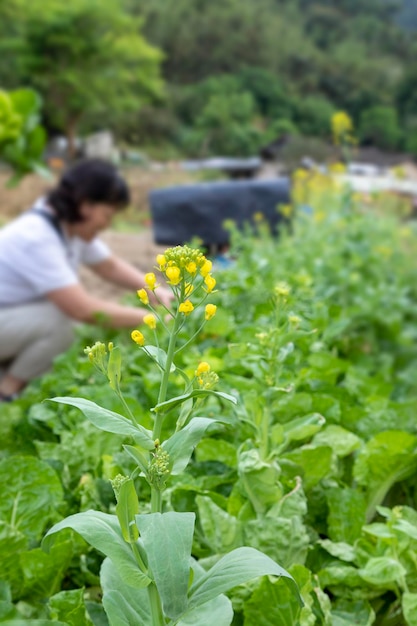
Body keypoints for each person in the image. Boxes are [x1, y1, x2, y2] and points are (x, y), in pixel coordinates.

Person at [0, 159, 172, 401]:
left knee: (59, 324)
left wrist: (155, 291)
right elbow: (81, 309)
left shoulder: (68, 226)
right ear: (85, 205)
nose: (108, 224)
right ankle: (7, 392)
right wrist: (154, 320)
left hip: (10, 317)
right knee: (60, 321)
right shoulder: (36, 236)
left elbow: (109, 266)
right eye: (107, 215)